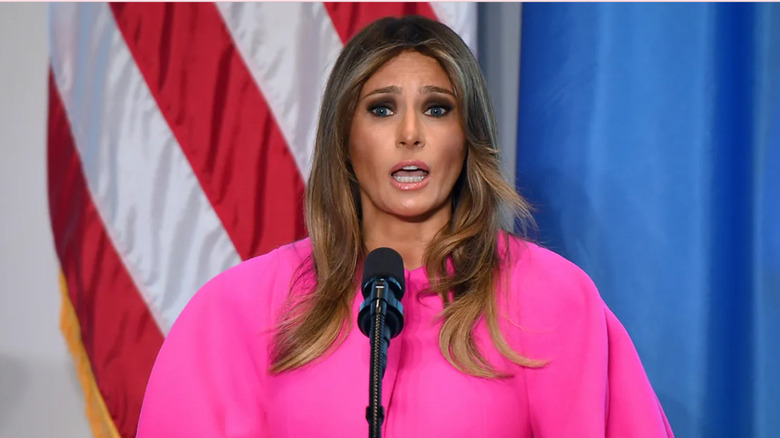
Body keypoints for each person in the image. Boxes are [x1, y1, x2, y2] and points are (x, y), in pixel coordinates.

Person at [136, 15, 674, 437]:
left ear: (468, 136)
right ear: (345, 138)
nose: (410, 133)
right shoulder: (241, 309)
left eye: (438, 109)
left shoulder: (550, 297)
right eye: (382, 109)